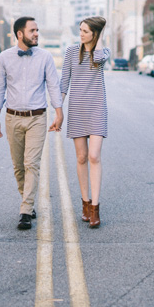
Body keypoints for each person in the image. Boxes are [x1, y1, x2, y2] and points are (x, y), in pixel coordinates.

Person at [0, 17, 63, 230]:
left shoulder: (45, 57)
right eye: (32, 30)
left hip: (37, 117)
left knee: (31, 163)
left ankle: (25, 210)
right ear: (20, 34)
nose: (36, 34)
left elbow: (53, 86)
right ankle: (28, 200)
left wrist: (59, 113)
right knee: (18, 166)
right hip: (12, 117)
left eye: (37, 30)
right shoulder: (4, 57)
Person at [60, 16, 109, 228]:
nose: (81, 34)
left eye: (86, 31)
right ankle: (85, 203)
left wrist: (98, 40)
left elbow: (97, 57)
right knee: (81, 157)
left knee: (94, 155)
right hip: (77, 110)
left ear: (95, 34)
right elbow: (64, 81)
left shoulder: (102, 52)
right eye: (80, 30)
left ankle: (96, 208)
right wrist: (57, 110)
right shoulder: (71, 51)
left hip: (97, 109)